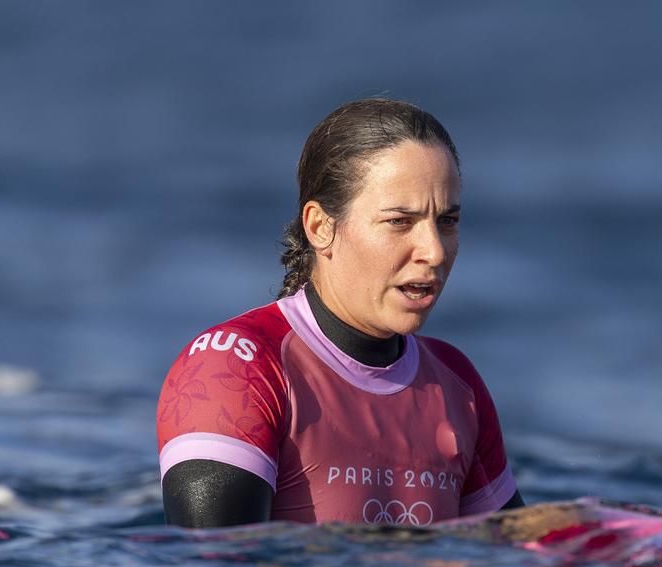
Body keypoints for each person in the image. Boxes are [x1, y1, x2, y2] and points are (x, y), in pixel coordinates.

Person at [156, 99, 524, 528]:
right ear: (320, 227)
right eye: (399, 222)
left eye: (447, 221)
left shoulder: (457, 384)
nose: (434, 251)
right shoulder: (232, 368)